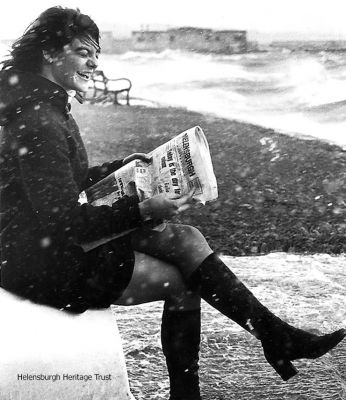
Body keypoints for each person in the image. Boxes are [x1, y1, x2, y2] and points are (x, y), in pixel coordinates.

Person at [0, 7, 344, 400]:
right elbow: (62, 220)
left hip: (30, 245)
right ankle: (253, 350)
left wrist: (119, 168)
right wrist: (144, 210)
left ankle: (270, 336)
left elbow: (54, 182)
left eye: (97, 54)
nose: (94, 63)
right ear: (49, 52)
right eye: (83, 52)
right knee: (183, 280)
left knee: (187, 239)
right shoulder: (42, 116)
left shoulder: (36, 102)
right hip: (40, 263)